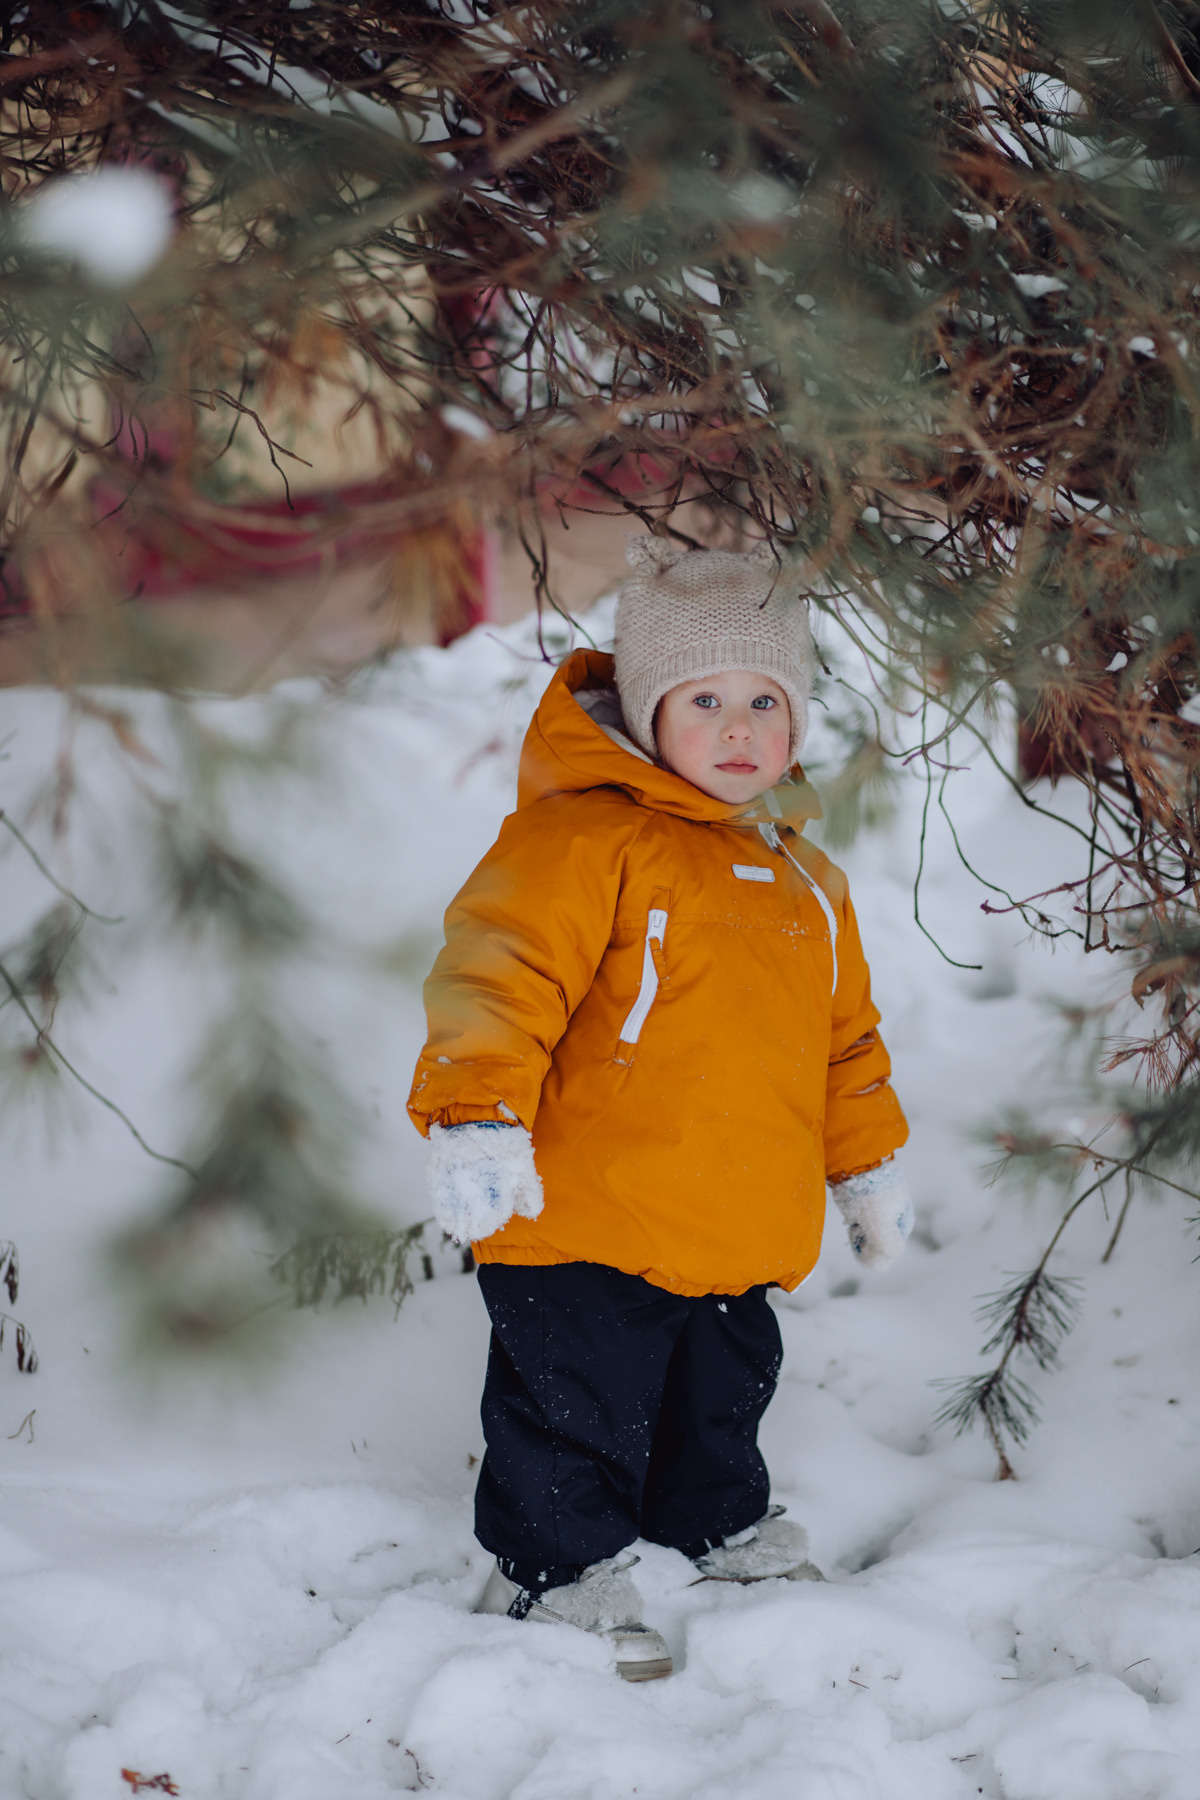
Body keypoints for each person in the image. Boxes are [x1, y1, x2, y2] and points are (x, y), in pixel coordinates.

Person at [407, 535, 912, 1682]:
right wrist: (476, 1114)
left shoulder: (807, 881)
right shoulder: (585, 840)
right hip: (587, 1214)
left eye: (764, 701)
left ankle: (712, 1517)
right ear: (646, 716)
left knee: (720, 1395)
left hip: (732, 1224)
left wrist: (867, 1166)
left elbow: (844, 1042)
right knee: (576, 1402)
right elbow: (497, 976)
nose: (739, 729)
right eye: (704, 701)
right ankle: (558, 1569)